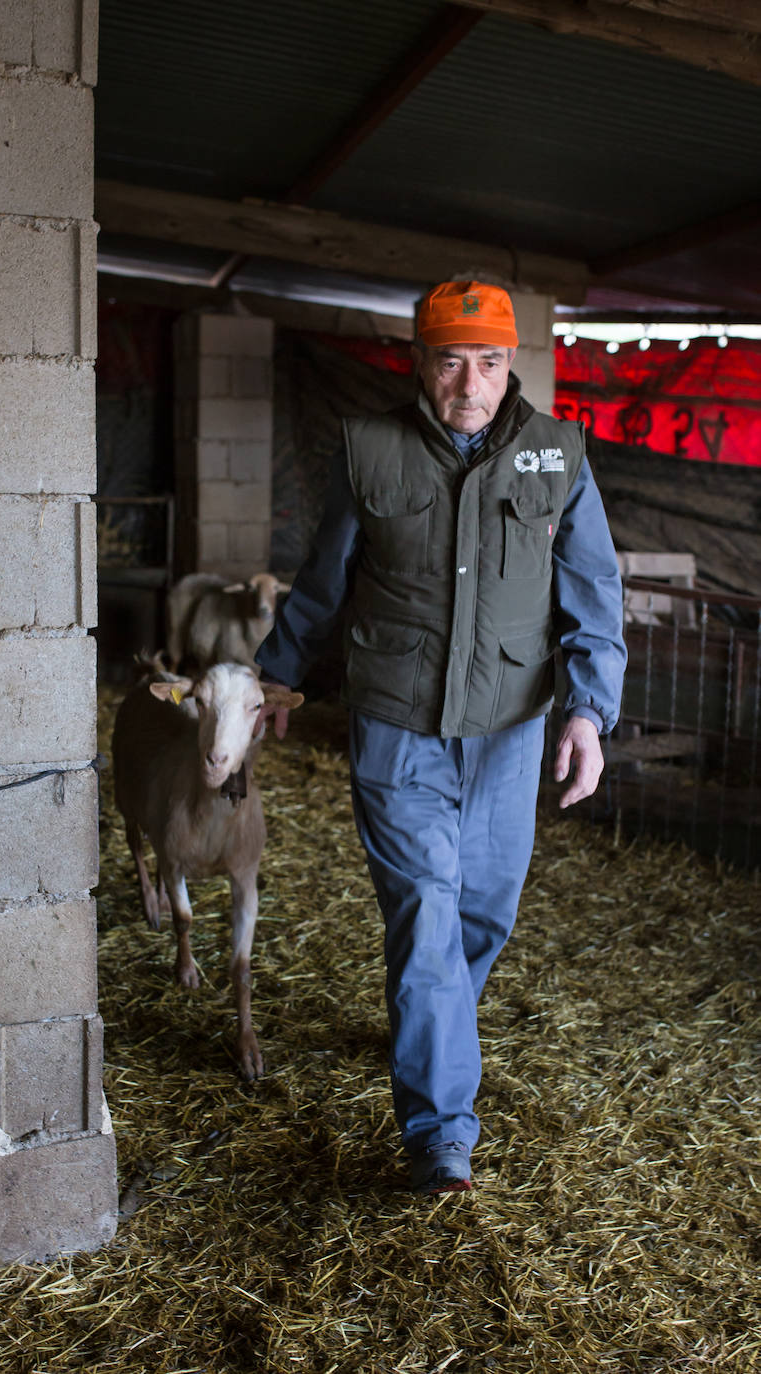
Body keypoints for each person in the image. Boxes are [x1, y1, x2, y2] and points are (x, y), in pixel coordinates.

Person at [255, 281, 626, 1195]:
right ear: (419, 362)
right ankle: (439, 1133)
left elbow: (592, 595)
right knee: (425, 907)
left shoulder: (557, 455)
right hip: (398, 725)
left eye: (489, 361)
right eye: (452, 360)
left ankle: (429, 1018)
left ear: (512, 366)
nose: (471, 381)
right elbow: (322, 578)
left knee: (482, 912)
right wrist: (280, 673)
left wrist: (587, 713)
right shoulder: (370, 450)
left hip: (508, 732)